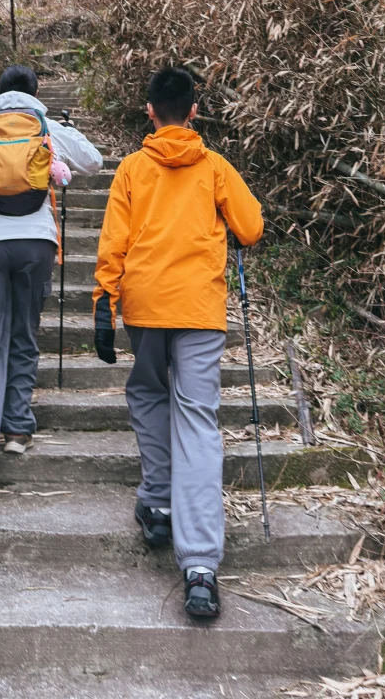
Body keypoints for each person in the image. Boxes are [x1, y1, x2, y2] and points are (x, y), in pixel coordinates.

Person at [92, 65, 263, 621]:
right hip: (198, 308)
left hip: (144, 303)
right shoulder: (214, 166)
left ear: (149, 111)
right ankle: (201, 567)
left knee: (148, 395)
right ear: (193, 111)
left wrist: (103, 301)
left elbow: (113, 242)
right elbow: (251, 228)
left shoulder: (131, 170)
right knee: (197, 418)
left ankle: (158, 502)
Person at [0, 63, 103, 499]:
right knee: (24, 334)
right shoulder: (46, 127)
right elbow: (94, 161)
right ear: (36, 92)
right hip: (36, 243)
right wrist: (68, 131)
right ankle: (16, 429)